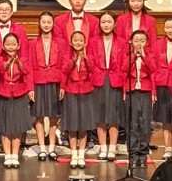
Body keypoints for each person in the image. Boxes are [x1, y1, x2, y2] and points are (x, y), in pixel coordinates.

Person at [0, 32, 33, 169]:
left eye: (13, 44)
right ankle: (7, 155)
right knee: (5, 127)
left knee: (16, 127)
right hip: (3, 93)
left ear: (18, 46)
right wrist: (7, 63)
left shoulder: (24, 59)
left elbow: (26, 72)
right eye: (8, 44)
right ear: (3, 46)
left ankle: (15, 155)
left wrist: (18, 62)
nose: (11, 47)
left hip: (19, 94)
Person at [88, 12, 125, 161]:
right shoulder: (93, 41)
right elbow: (90, 61)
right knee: (100, 115)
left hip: (115, 80)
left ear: (114, 24)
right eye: (103, 22)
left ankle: (112, 148)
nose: (106, 25)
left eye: (109, 22)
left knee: (113, 115)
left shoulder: (122, 42)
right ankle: (103, 147)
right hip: (98, 79)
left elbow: (124, 63)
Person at [30, 12, 65, 161]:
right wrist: (30, 88)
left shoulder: (61, 42)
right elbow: (29, 66)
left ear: (53, 24)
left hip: (54, 82)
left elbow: (64, 65)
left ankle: (51, 146)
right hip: (38, 82)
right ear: (39, 23)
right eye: (43, 22)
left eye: (49, 22)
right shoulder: (32, 43)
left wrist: (63, 85)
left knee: (53, 116)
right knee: (39, 116)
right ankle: (42, 147)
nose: (46, 25)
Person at [59, 30, 95, 169]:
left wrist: (86, 59)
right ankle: (74, 153)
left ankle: (81, 153)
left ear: (85, 42)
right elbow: (64, 71)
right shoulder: (67, 56)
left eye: (81, 40)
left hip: (86, 90)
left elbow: (92, 69)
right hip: (71, 90)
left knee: (83, 125)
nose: (78, 43)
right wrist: (73, 61)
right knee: (72, 124)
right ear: (71, 42)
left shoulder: (89, 55)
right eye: (75, 40)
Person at [125, 29, 155, 169]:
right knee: (133, 124)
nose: (139, 44)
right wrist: (133, 57)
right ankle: (132, 155)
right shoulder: (127, 55)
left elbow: (153, 69)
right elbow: (123, 69)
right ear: (131, 42)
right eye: (136, 41)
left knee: (145, 124)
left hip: (145, 91)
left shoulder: (149, 55)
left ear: (146, 42)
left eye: (142, 41)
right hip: (131, 91)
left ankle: (143, 155)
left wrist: (144, 56)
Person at [152, 16, 172, 160]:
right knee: (165, 119)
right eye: (167, 27)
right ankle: (168, 148)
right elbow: (153, 68)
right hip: (162, 84)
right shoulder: (157, 44)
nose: (170, 30)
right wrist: (153, 89)